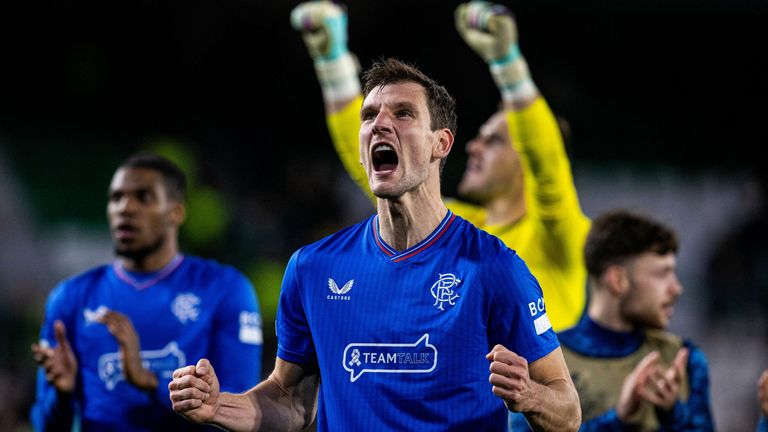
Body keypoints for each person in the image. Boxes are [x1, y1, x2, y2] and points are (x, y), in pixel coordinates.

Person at [169, 58, 580, 431]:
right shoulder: (313, 267)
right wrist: (217, 407)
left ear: (442, 144)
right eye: (369, 116)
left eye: (403, 113)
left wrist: (530, 395)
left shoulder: (492, 267)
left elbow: (568, 412)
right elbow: (292, 401)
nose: (380, 124)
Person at [289, 0, 590, 332]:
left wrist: (509, 66)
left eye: (494, 141)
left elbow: (548, 166)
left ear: (527, 160)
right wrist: (332, 65)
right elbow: (386, 175)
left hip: (549, 381)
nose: (473, 146)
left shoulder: (559, 232)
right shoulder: (468, 226)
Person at [30, 153, 263, 431]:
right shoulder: (71, 297)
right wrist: (62, 393)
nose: (125, 208)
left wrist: (148, 380)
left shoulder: (225, 289)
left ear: (176, 212)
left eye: (143, 197)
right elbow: (45, 425)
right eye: (116, 198)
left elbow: (240, 414)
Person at [511, 209, 714, 430]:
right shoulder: (543, 362)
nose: (676, 288)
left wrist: (674, 413)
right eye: (662, 274)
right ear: (617, 280)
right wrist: (618, 420)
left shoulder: (685, 359)